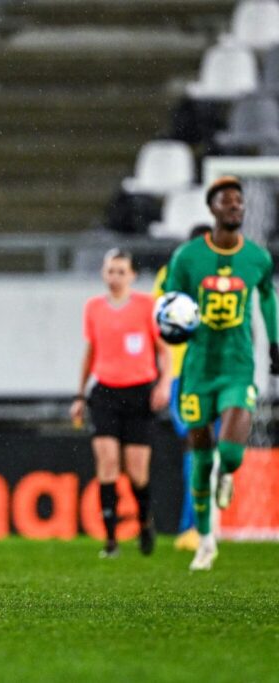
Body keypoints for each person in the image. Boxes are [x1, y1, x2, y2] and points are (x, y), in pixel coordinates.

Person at [163, 176, 279, 571]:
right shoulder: (188, 258)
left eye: (239, 202)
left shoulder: (257, 259)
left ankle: (228, 471)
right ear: (212, 208)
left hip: (236, 367)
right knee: (199, 454)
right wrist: (171, 323)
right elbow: (169, 302)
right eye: (227, 201)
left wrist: (275, 343)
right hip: (197, 369)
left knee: (227, 452)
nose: (236, 207)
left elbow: (266, 295)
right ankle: (206, 539)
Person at [71, 249, 171, 558]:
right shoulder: (94, 308)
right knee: (107, 464)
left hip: (140, 393)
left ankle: (144, 522)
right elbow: (91, 352)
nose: (114, 277)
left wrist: (164, 383)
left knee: (137, 470)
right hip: (105, 394)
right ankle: (111, 540)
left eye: (120, 271)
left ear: (132, 275)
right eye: (110, 270)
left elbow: (163, 350)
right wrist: (80, 395)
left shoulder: (146, 306)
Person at [152, 224, 212, 552]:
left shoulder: (222, 280)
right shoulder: (170, 274)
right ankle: (192, 526)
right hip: (181, 375)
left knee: (211, 448)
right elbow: (157, 324)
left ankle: (201, 523)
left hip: (216, 372)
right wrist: (161, 376)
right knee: (195, 442)